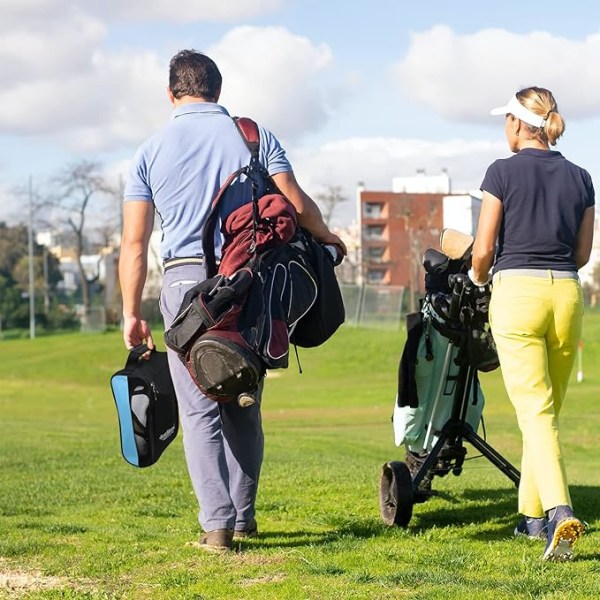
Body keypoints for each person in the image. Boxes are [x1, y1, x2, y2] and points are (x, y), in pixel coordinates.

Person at [118, 49, 346, 552]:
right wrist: (329, 236)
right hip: (247, 283)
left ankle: (217, 527)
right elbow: (297, 204)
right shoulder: (252, 136)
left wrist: (132, 311)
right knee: (243, 400)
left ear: (171, 93)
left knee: (199, 409)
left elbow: (134, 243)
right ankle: (243, 519)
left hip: (183, 289)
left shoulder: (148, 151)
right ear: (218, 91)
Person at [471, 86, 595, 561]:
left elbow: (483, 250)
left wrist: (479, 276)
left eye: (505, 119)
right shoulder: (582, 177)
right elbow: (582, 254)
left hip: (517, 294)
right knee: (543, 413)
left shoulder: (501, 171)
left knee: (536, 413)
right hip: (565, 294)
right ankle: (531, 517)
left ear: (519, 124)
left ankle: (560, 512)